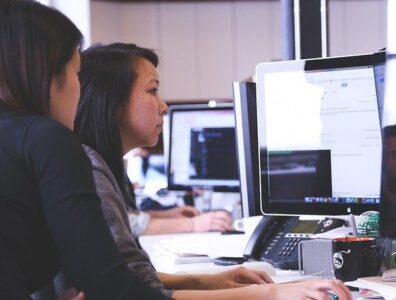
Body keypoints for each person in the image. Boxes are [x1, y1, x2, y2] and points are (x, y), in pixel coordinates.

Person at [73, 42, 352, 300]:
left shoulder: (99, 166)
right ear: (111, 101)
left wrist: (209, 281)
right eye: (152, 90)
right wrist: (272, 294)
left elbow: (133, 279)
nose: (164, 107)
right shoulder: (88, 170)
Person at [0, 1, 169, 299]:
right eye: (77, 73)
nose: (83, 88)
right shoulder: (46, 140)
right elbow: (109, 285)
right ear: (48, 74)